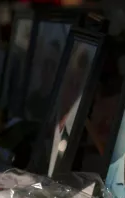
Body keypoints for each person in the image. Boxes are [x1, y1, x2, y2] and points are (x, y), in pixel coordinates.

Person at [45, 45, 92, 176]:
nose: (73, 93)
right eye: (71, 83)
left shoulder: (78, 137)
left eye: (78, 86)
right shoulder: (46, 122)